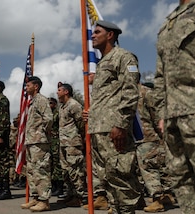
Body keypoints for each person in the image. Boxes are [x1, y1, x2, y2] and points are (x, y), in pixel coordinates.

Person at [83, 20, 141, 213]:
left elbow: (131, 91)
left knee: (121, 179)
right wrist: (91, 114)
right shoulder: (101, 65)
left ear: (110, 35)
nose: (92, 35)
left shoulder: (124, 57)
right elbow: (108, 97)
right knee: (107, 180)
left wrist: (122, 124)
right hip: (98, 129)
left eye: (97, 32)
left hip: (113, 130)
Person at [153, 1, 195, 213]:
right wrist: (162, 113)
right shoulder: (168, 23)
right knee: (181, 177)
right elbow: (160, 75)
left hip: (192, 107)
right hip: (173, 115)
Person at [136, 82, 175, 212]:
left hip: (149, 136)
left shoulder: (146, 92)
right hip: (136, 138)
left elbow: (157, 115)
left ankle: (158, 200)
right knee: (140, 170)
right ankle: (145, 199)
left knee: (150, 168)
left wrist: (161, 133)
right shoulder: (126, 93)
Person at [20, 76, 53, 212]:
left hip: (39, 142)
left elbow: (48, 119)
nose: (26, 87)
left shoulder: (41, 100)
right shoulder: (32, 101)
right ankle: (36, 197)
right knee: (32, 171)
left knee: (41, 170)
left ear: (36, 87)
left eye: (28, 85)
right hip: (31, 142)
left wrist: (42, 133)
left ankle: (44, 200)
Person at [56, 83, 86, 207]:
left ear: (66, 92)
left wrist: (80, 138)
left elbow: (81, 123)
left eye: (59, 90)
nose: (57, 92)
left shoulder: (74, 105)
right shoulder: (62, 107)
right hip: (63, 143)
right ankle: (70, 194)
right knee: (66, 171)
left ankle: (79, 196)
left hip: (73, 143)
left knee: (75, 170)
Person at [48, 97, 64, 197]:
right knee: (51, 164)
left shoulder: (58, 114)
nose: (48, 105)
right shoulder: (48, 114)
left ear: (54, 104)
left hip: (56, 141)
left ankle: (60, 187)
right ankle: (53, 185)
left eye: (50, 103)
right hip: (50, 141)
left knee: (57, 164)